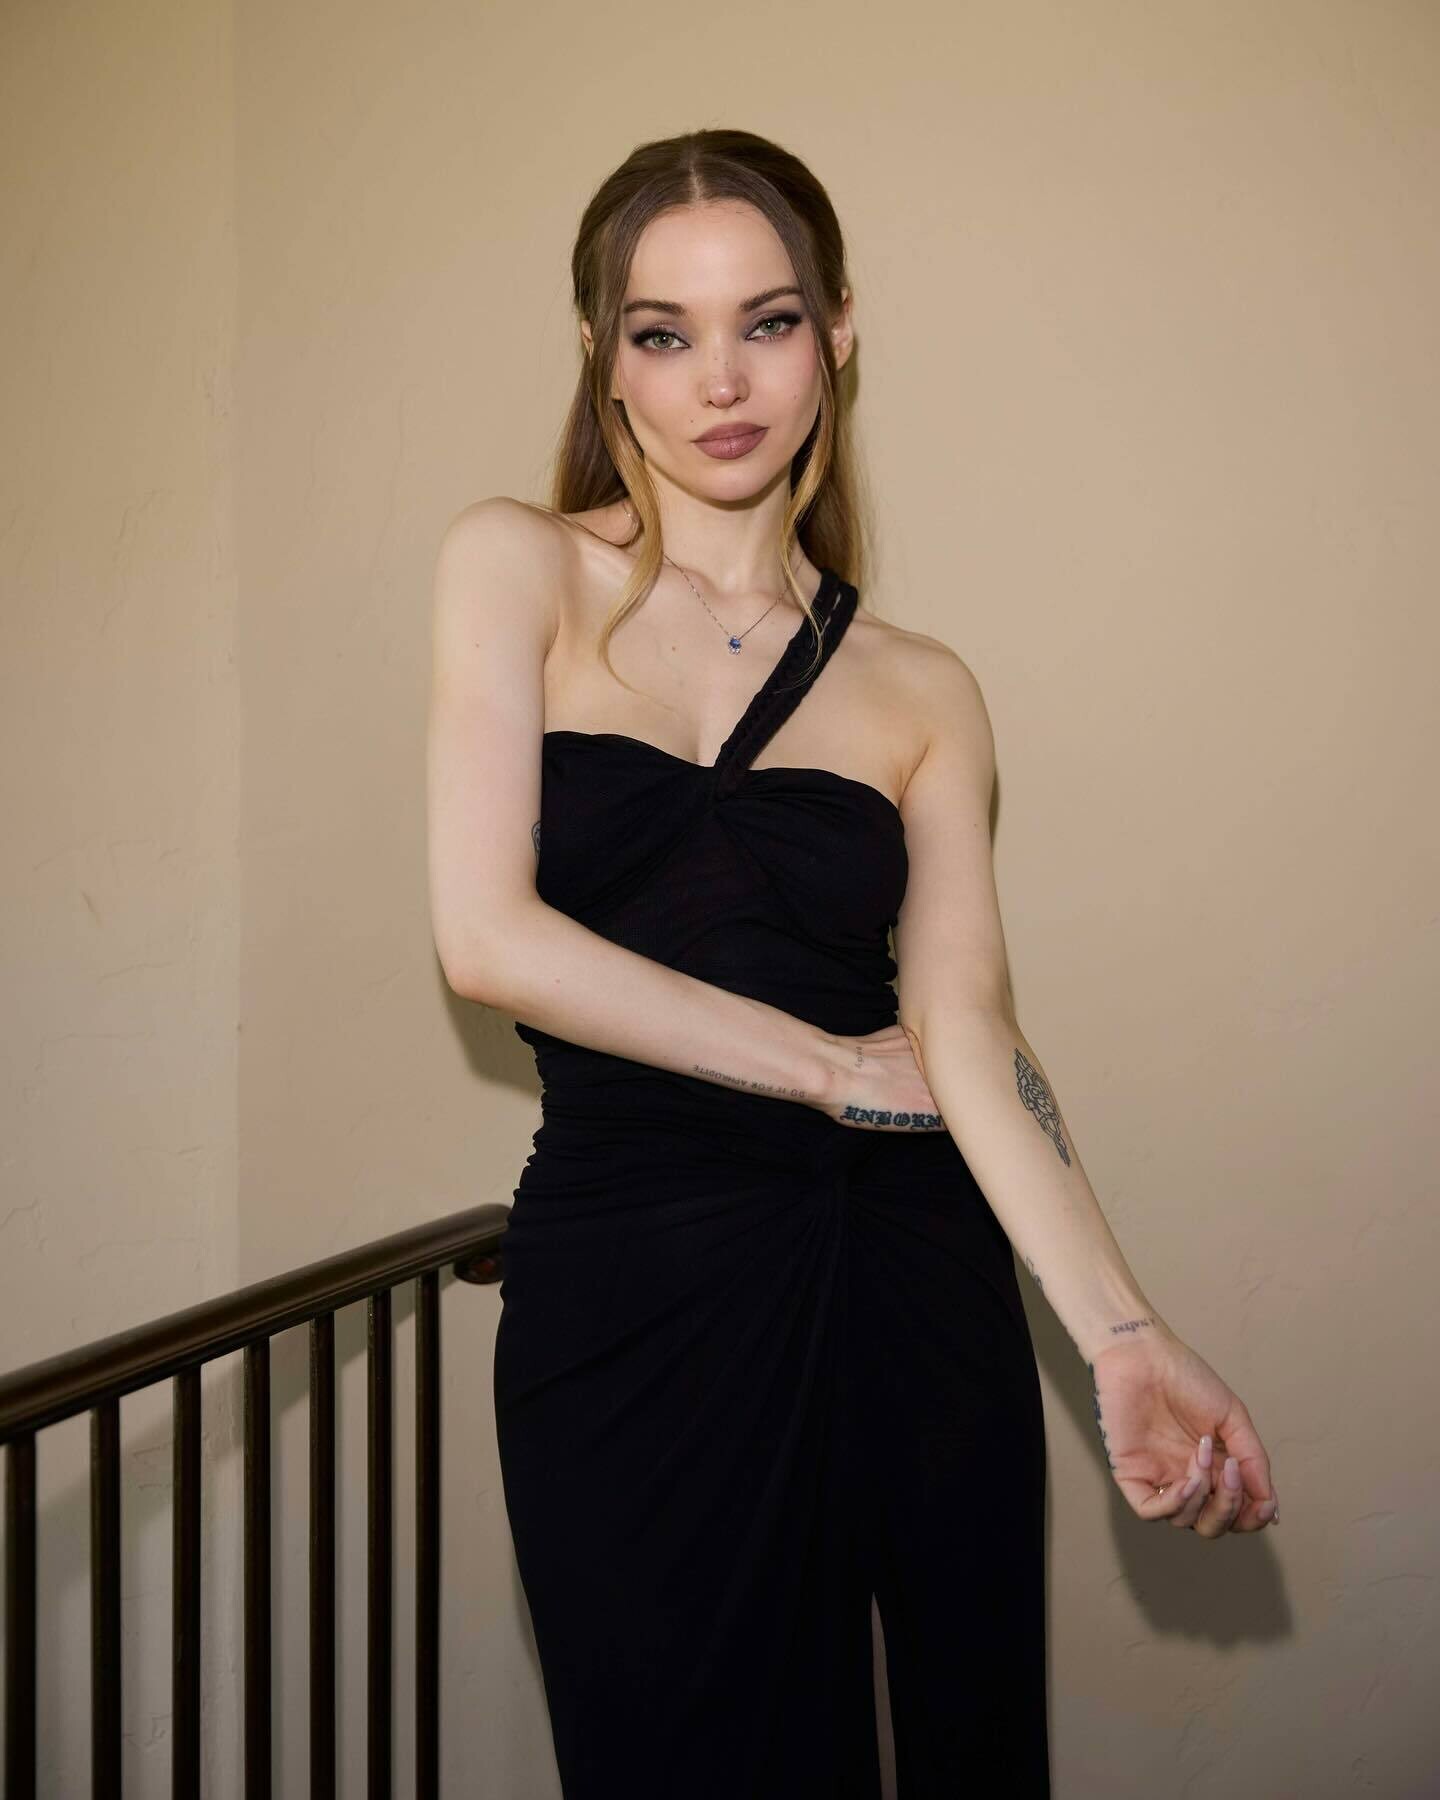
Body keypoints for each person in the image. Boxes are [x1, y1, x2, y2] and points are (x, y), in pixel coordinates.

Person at [426, 127, 1278, 1800]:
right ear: (604, 354)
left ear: (836, 335)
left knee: (953, 1737)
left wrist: (1120, 1332)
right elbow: (486, 939)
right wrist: (826, 1064)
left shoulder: (922, 687)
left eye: (768, 321)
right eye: (663, 332)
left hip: (906, 1272)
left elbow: (967, 1032)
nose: (719, 380)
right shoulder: (514, 568)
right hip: (630, 1281)